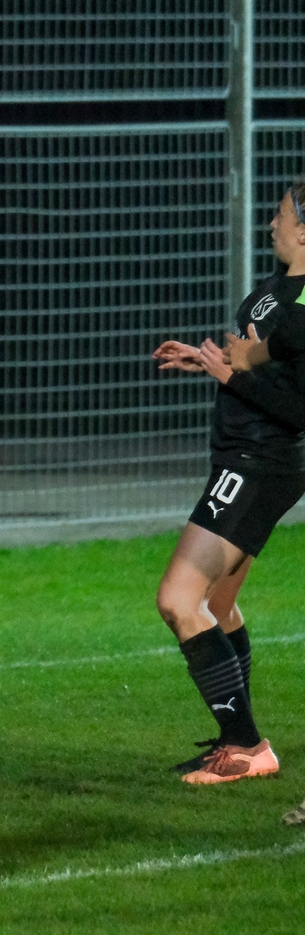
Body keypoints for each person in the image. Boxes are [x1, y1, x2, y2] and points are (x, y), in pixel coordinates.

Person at [148, 182, 305, 785]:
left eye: (281, 215)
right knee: (216, 606)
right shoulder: (275, 289)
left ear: (304, 230)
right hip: (245, 458)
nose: (271, 223)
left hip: (259, 463)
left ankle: (245, 746)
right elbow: (260, 368)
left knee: (177, 599)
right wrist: (210, 362)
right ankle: (235, 741)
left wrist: (231, 377)